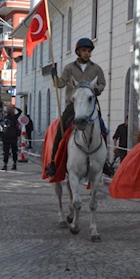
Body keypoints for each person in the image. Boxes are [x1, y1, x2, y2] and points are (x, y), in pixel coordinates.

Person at [45, 38, 107, 177]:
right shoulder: (69, 68)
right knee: (61, 129)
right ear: (78, 52)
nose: (87, 53)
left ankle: (105, 162)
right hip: (73, 105)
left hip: (90, 104)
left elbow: (102, 83)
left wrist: (97, 90)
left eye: (89, 51)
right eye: (84, 51)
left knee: (102, 128)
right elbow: (60, 84)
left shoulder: (96, 68)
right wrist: (54, 76)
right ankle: (53, 161)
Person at [0, 105, 23, 171]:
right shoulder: (14, 117)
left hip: (6, 137)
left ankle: (5, 164)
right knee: (14, 151)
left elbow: (0, 127)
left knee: (6, 151)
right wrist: (15, 107)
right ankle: (14, 164)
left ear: (6, 112)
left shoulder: (4, 118)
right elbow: (20, 111)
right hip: (13, 137)